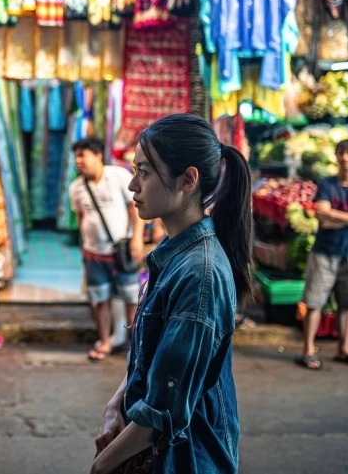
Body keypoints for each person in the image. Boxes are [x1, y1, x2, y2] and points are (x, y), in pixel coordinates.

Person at [92, 114, 250, 474]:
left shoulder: (200, 275)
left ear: (188, 180)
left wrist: (102, 465)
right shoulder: (176, 254)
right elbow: (153, 362)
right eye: (135, 170)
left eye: (145, 172)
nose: (133, 184)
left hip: (186, 458)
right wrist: (117, 402)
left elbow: (163, 411)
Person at [299, 139, 348, 370]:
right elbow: (323, 221)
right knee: (314, 303)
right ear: (336, 156)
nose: (345, 157)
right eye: (341, 153)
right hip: (323, 252)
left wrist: (334, 214)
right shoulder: (326, 184)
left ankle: (344, 349)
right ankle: (308, 351)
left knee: (347, 304)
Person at [69, 136, 146, 362]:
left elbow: (135, 209)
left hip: (123, 251)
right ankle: (105, 341)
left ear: (97, 156)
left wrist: (137, 238)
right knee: (99, 299)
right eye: (76, 157)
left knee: (132, 298)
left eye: (82, 155)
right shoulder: (76, 188)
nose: (78, 161)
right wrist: (85, 245)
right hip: (93, 254)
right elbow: (80, 217)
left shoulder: (118, 176)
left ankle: (136, 345)